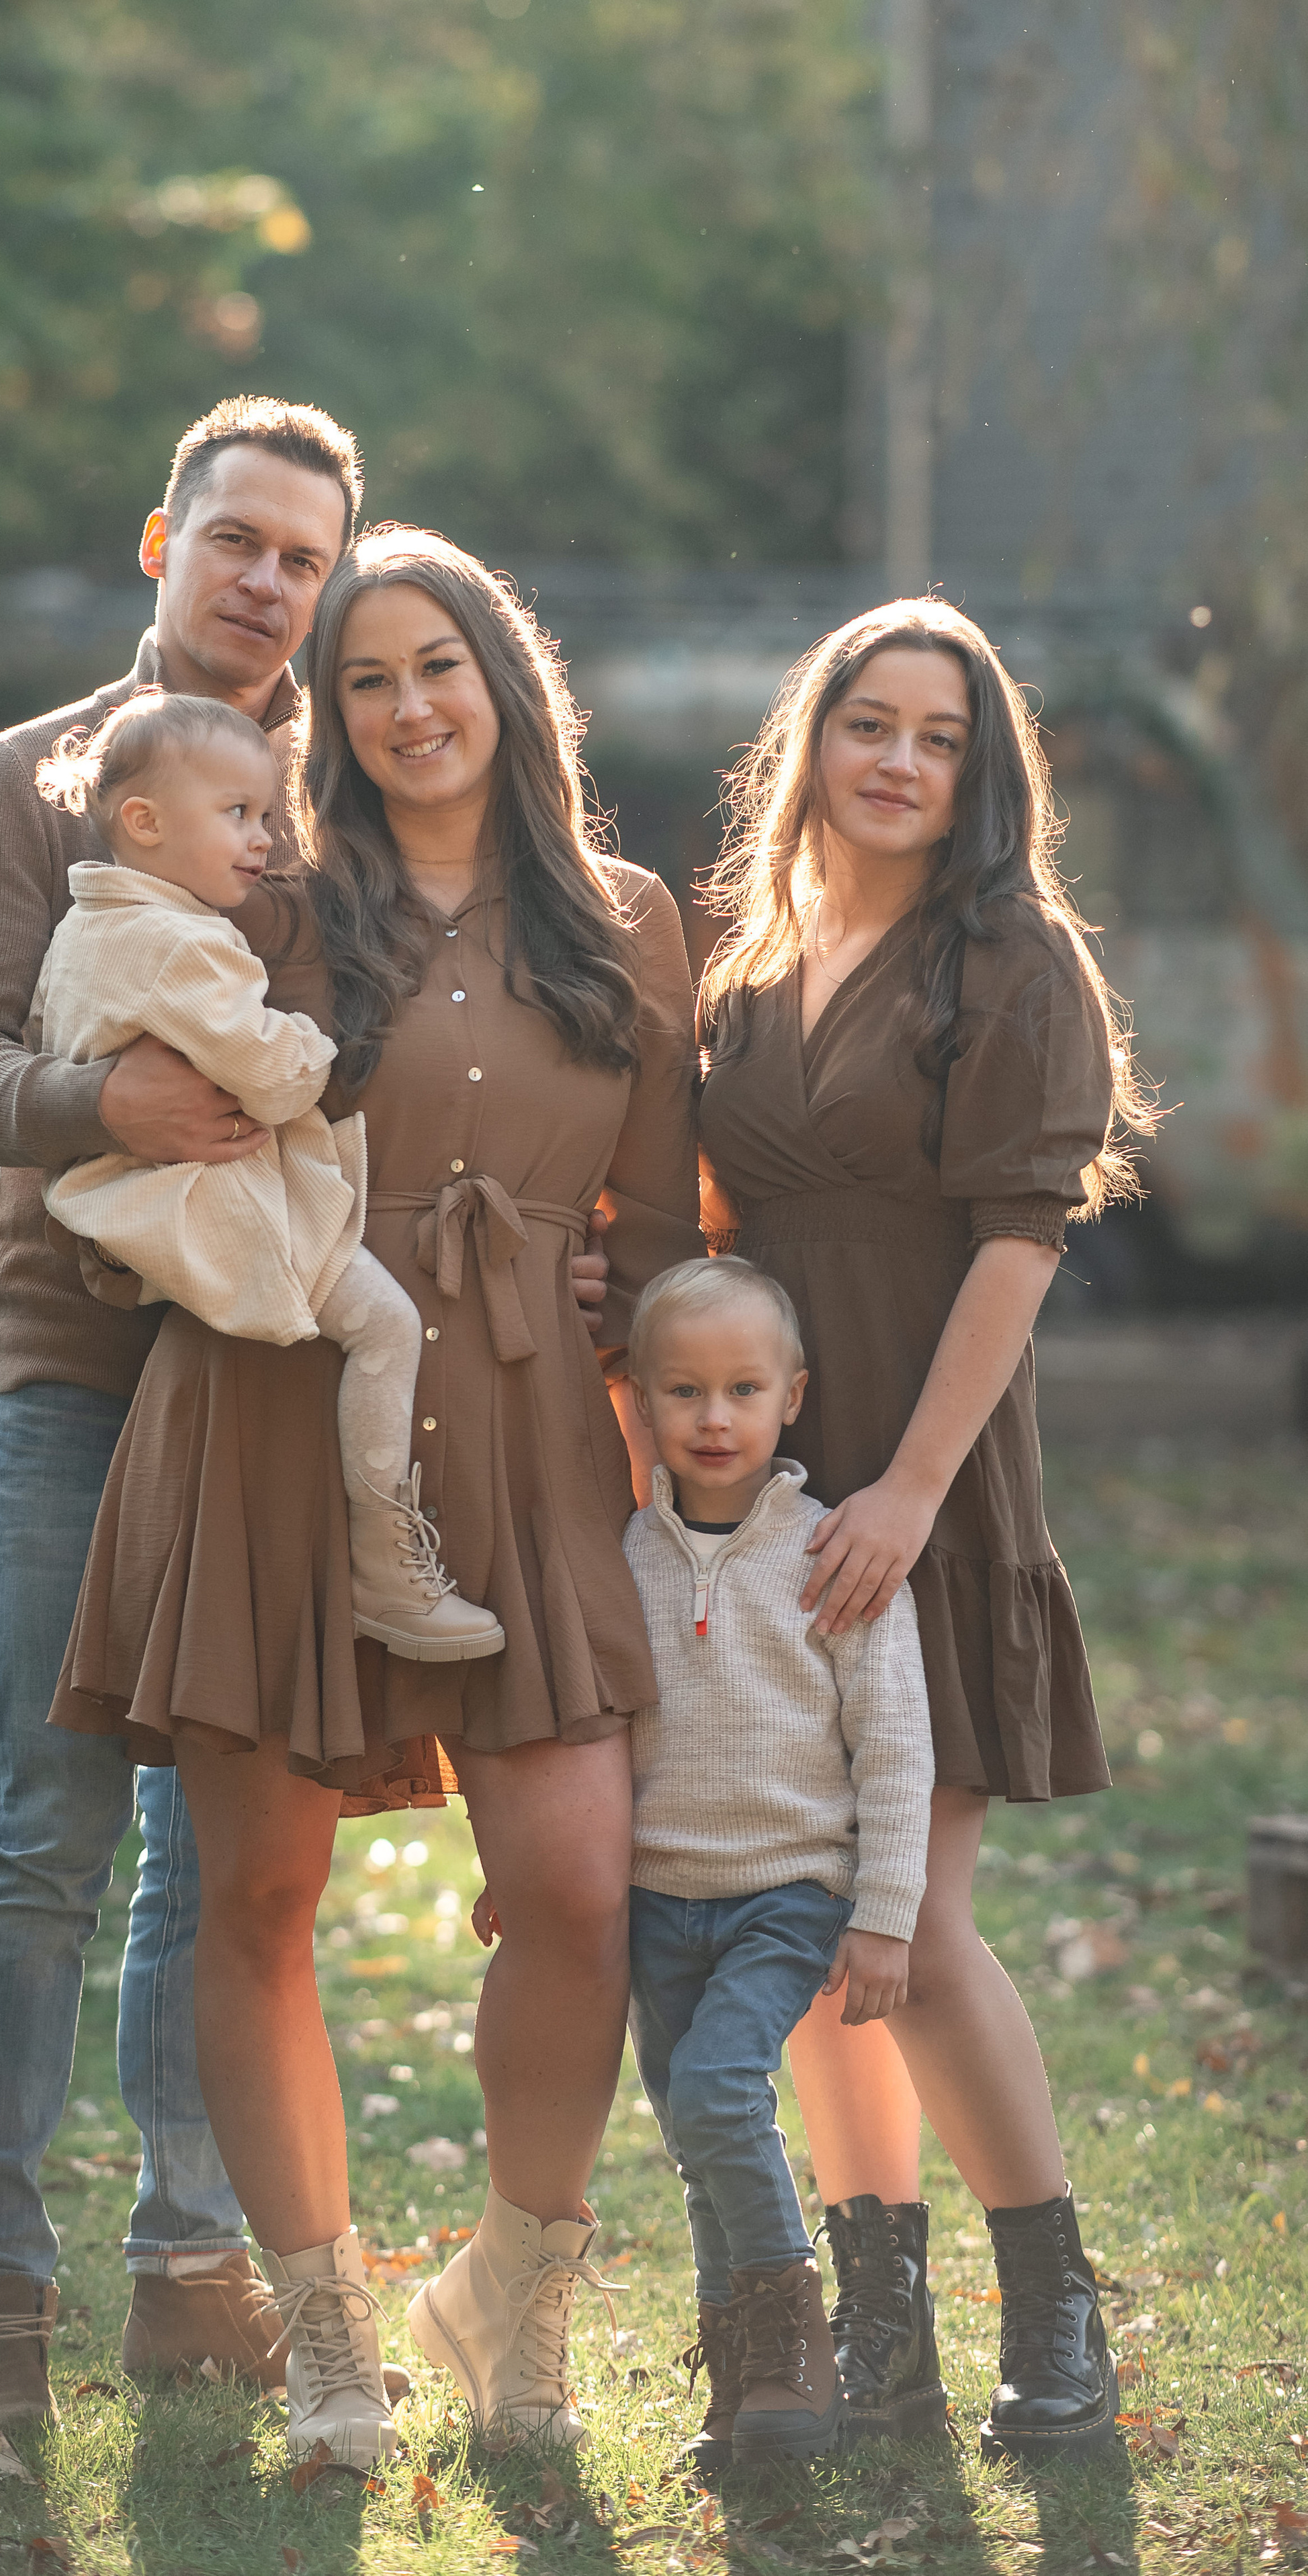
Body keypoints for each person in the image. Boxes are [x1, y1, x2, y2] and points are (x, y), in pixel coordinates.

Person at [47, 527, 702, 2465]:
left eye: (441, 666)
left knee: (579, 1889)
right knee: (256, 1888)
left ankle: (511, 2289)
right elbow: (98, 1061)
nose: (409, 709)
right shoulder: (270, 898)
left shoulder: (628, 916)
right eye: (364, 681)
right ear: (323, 720)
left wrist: (637, 1311)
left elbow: (660, 1231)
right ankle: (325, 2320)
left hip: (520, 1426)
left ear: (508, 681)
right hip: (271, 1397)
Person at [0, 396, 367, 2430]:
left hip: (262, 1382)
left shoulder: (328, 802)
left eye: (306, 556)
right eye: (240, 540)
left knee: (219, 1846)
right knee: (51, 1827)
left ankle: (190, 2266)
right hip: (79, 1379)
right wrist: (112, 1106)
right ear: (160, 542)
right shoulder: (34, 782)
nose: (269, 581)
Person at [692, 595, 1153, 2462]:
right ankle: (880, 2323)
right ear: (812, 739)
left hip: (923, 1490)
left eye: (936, 736)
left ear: (978, 773)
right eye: (866, 722)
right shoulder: (750, 956)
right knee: (807, 1923)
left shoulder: (1010, 956)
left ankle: (1056, 2310)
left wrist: (907, 1489)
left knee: (920, 1920)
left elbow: (1021, 1243)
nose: (895, 758)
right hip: (767, 1505)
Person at [32, 689, 503, 1659]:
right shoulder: (179, 944)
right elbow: (273, 1077)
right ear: (146, 822)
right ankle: (387, 1562)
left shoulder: (92, 928)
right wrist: (316, 1046)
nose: (263, 839)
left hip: (143, 1206)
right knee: (383, 1326)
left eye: (268, 813)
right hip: (211, 1204)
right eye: (238, 815)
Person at [619, 1255, 932, 2468]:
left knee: (713, 2096)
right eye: (686, 1390)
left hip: (787, 1891)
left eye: (743, 1388)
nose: (714, 1416)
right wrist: (549, 1874)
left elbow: (895, 1743)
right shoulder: (627, 1553)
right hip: (654, 1900)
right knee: (698, 2148)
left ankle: (797, 2335)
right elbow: (595, 1740)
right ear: (641, 1399)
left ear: (790, 1396)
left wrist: (887, 1912)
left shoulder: (830, 1552)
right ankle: (749, 2393)